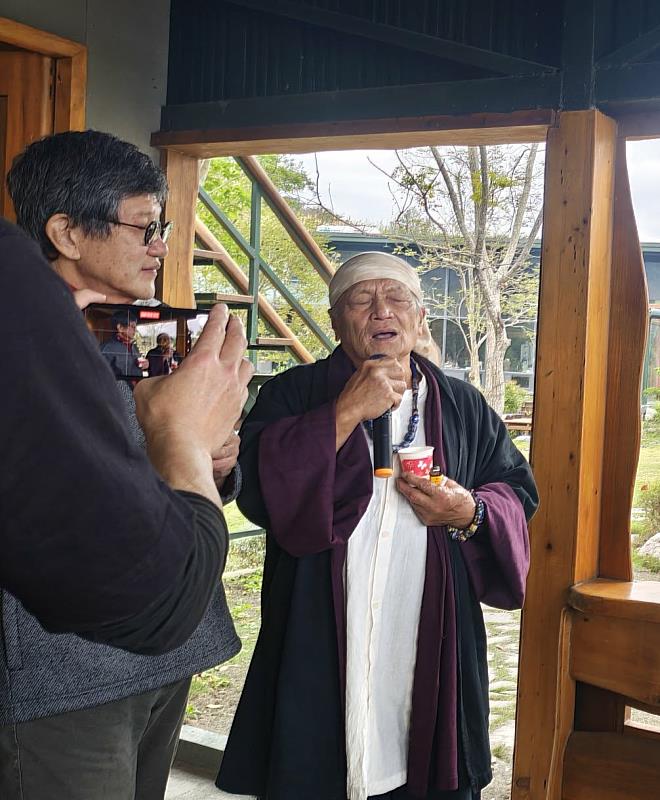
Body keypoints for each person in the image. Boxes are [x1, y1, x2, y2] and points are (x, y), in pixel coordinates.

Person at [217, 252, 538, 800]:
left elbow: (515, 489)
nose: (381, 311)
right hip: (318, 617)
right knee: (317, 762)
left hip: (430, 620)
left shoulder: (460, 403)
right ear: (336, 320)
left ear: (419, 318)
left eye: (397, 299)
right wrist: (343, 413)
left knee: (425, 756)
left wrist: (470, 512)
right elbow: (259, 490)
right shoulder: (294, 393)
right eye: (361, 300)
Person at [1, 130, 247, 800]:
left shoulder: (154, 330)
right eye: (143, 227)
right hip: (65, 667)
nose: (161, 245)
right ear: (67, 232)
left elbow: (185, 469)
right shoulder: (24, 340)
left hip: (176, 636)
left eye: (162, 226)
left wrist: (216, 460)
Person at [101, 307, 149, 379]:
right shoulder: (106, 348)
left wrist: (145, 365)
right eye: (132, 327)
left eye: (136, 327)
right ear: (120, 328)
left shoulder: (134, 347)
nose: (136, 330)